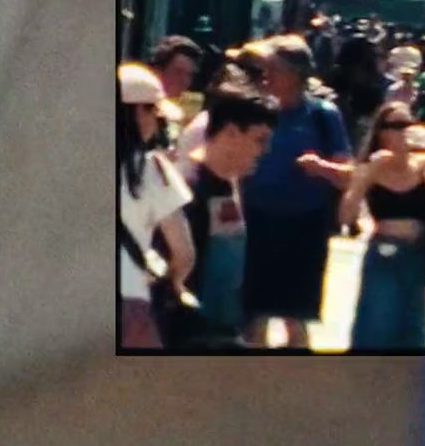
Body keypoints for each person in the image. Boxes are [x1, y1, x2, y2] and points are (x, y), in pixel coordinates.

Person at [240, 36, 354, 348]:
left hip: (304, 227)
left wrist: (320, 167)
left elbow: (348, 176)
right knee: (254, 317)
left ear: (295, 74)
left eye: (273, 69)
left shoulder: (322, 115)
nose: (266, 76)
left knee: (296, 318)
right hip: (256, 221)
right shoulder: (258, 110)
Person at [339, 103, 425, 349]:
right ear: (381, 132)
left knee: (414, 331)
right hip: (384, 254)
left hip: (418, 254)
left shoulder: (424, 164)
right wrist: (362, 179)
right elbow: (345, 217)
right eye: (395, 126)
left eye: (407, 125)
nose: (403, 131)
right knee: (376, 327)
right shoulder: (372, 167)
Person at [165, 79, 279, 349]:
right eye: (259, 140)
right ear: (229, 133)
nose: (265, 151)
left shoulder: (231, 183)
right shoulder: (187, 188)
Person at [117, 63, 195, 349]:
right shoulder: (153, 169)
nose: (157, 122)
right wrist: (173, 283)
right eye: (154, 112)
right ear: (137, 111)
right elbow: (184, 253)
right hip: (128, 302)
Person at [385, 43, 422, 107]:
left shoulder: (417, 89)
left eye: (408, 75)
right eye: (405, 75)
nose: (407, 77)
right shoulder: (393, 88)